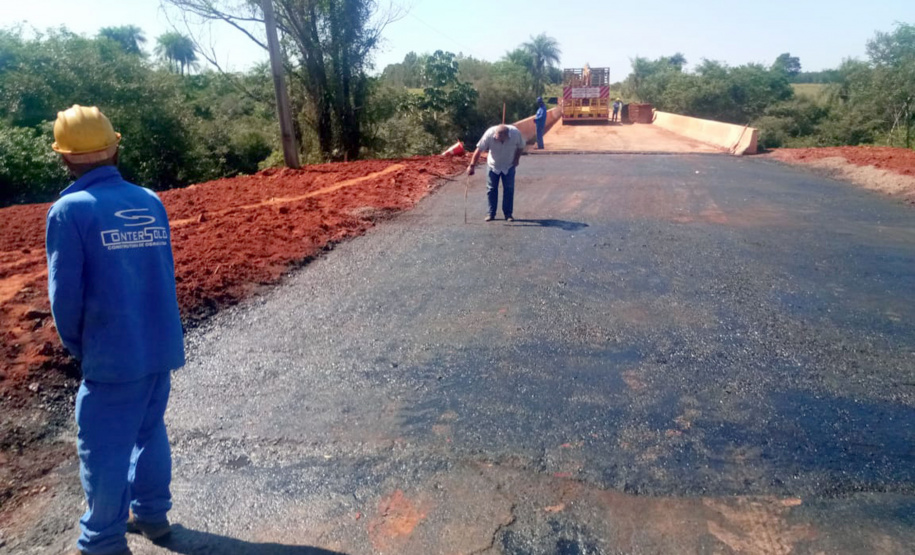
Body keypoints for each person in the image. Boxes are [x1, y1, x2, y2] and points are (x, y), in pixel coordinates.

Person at [46, 105, 185, 555]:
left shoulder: (69, 211)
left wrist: (81, 348)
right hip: (159, 344)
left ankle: (103, 541)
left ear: (65, 158)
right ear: (114, 148)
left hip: (112, 354)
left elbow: (65, 298)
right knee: (149, 430)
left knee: (104, 447)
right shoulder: (149, 200)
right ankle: (152, 514)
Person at [467, 124, 525, 222]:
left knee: (509, 189)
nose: (498, 140)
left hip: (509, 165)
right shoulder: (489, 134)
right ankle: (491, 213)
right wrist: (472, 165)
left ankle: (508, 214)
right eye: (497, 137)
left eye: (501, 139)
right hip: (493, 165)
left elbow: (520, 147)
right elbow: (479, 149)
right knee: (491, 189)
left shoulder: (515, 134)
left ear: (507, 135)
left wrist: (516, 159)